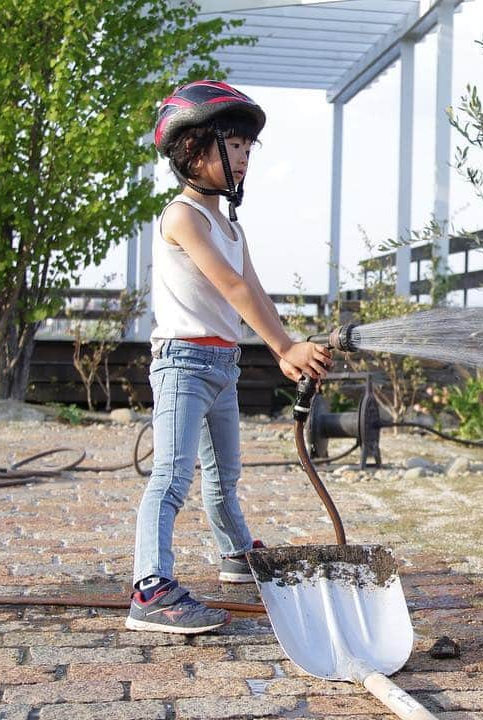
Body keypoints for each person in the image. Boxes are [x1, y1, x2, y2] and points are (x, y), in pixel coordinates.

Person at [126, 80, 332, 634]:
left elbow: (254, 286)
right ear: (192, 151)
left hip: (222, 364)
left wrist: (285, 348)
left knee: (225, 475)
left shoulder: (229, 221)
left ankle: (235, 554)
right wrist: (284, 346)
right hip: (183, 363)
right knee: (171, 476)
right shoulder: (182, 217)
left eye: (246, 148)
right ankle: (150, 587)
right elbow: (230, 290)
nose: (242, 159)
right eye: (232, 146)